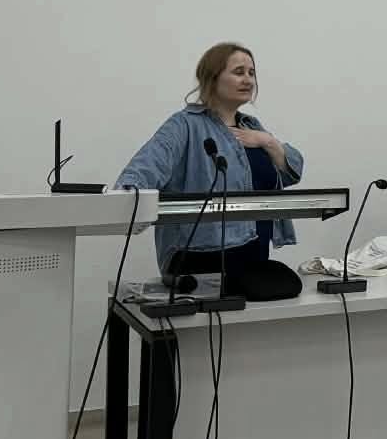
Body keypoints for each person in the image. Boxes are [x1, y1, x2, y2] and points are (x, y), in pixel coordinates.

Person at [114, 42, 305, 298]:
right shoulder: (184, 125)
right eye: (238, 72)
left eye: (252, 73)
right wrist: (126, 199)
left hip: (253, 258)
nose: (248, 80)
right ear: (213, 78)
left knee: (289, 285)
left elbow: (292, 170)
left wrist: (267, 141)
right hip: (201, 258)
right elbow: (144, 170)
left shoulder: (252, 127)